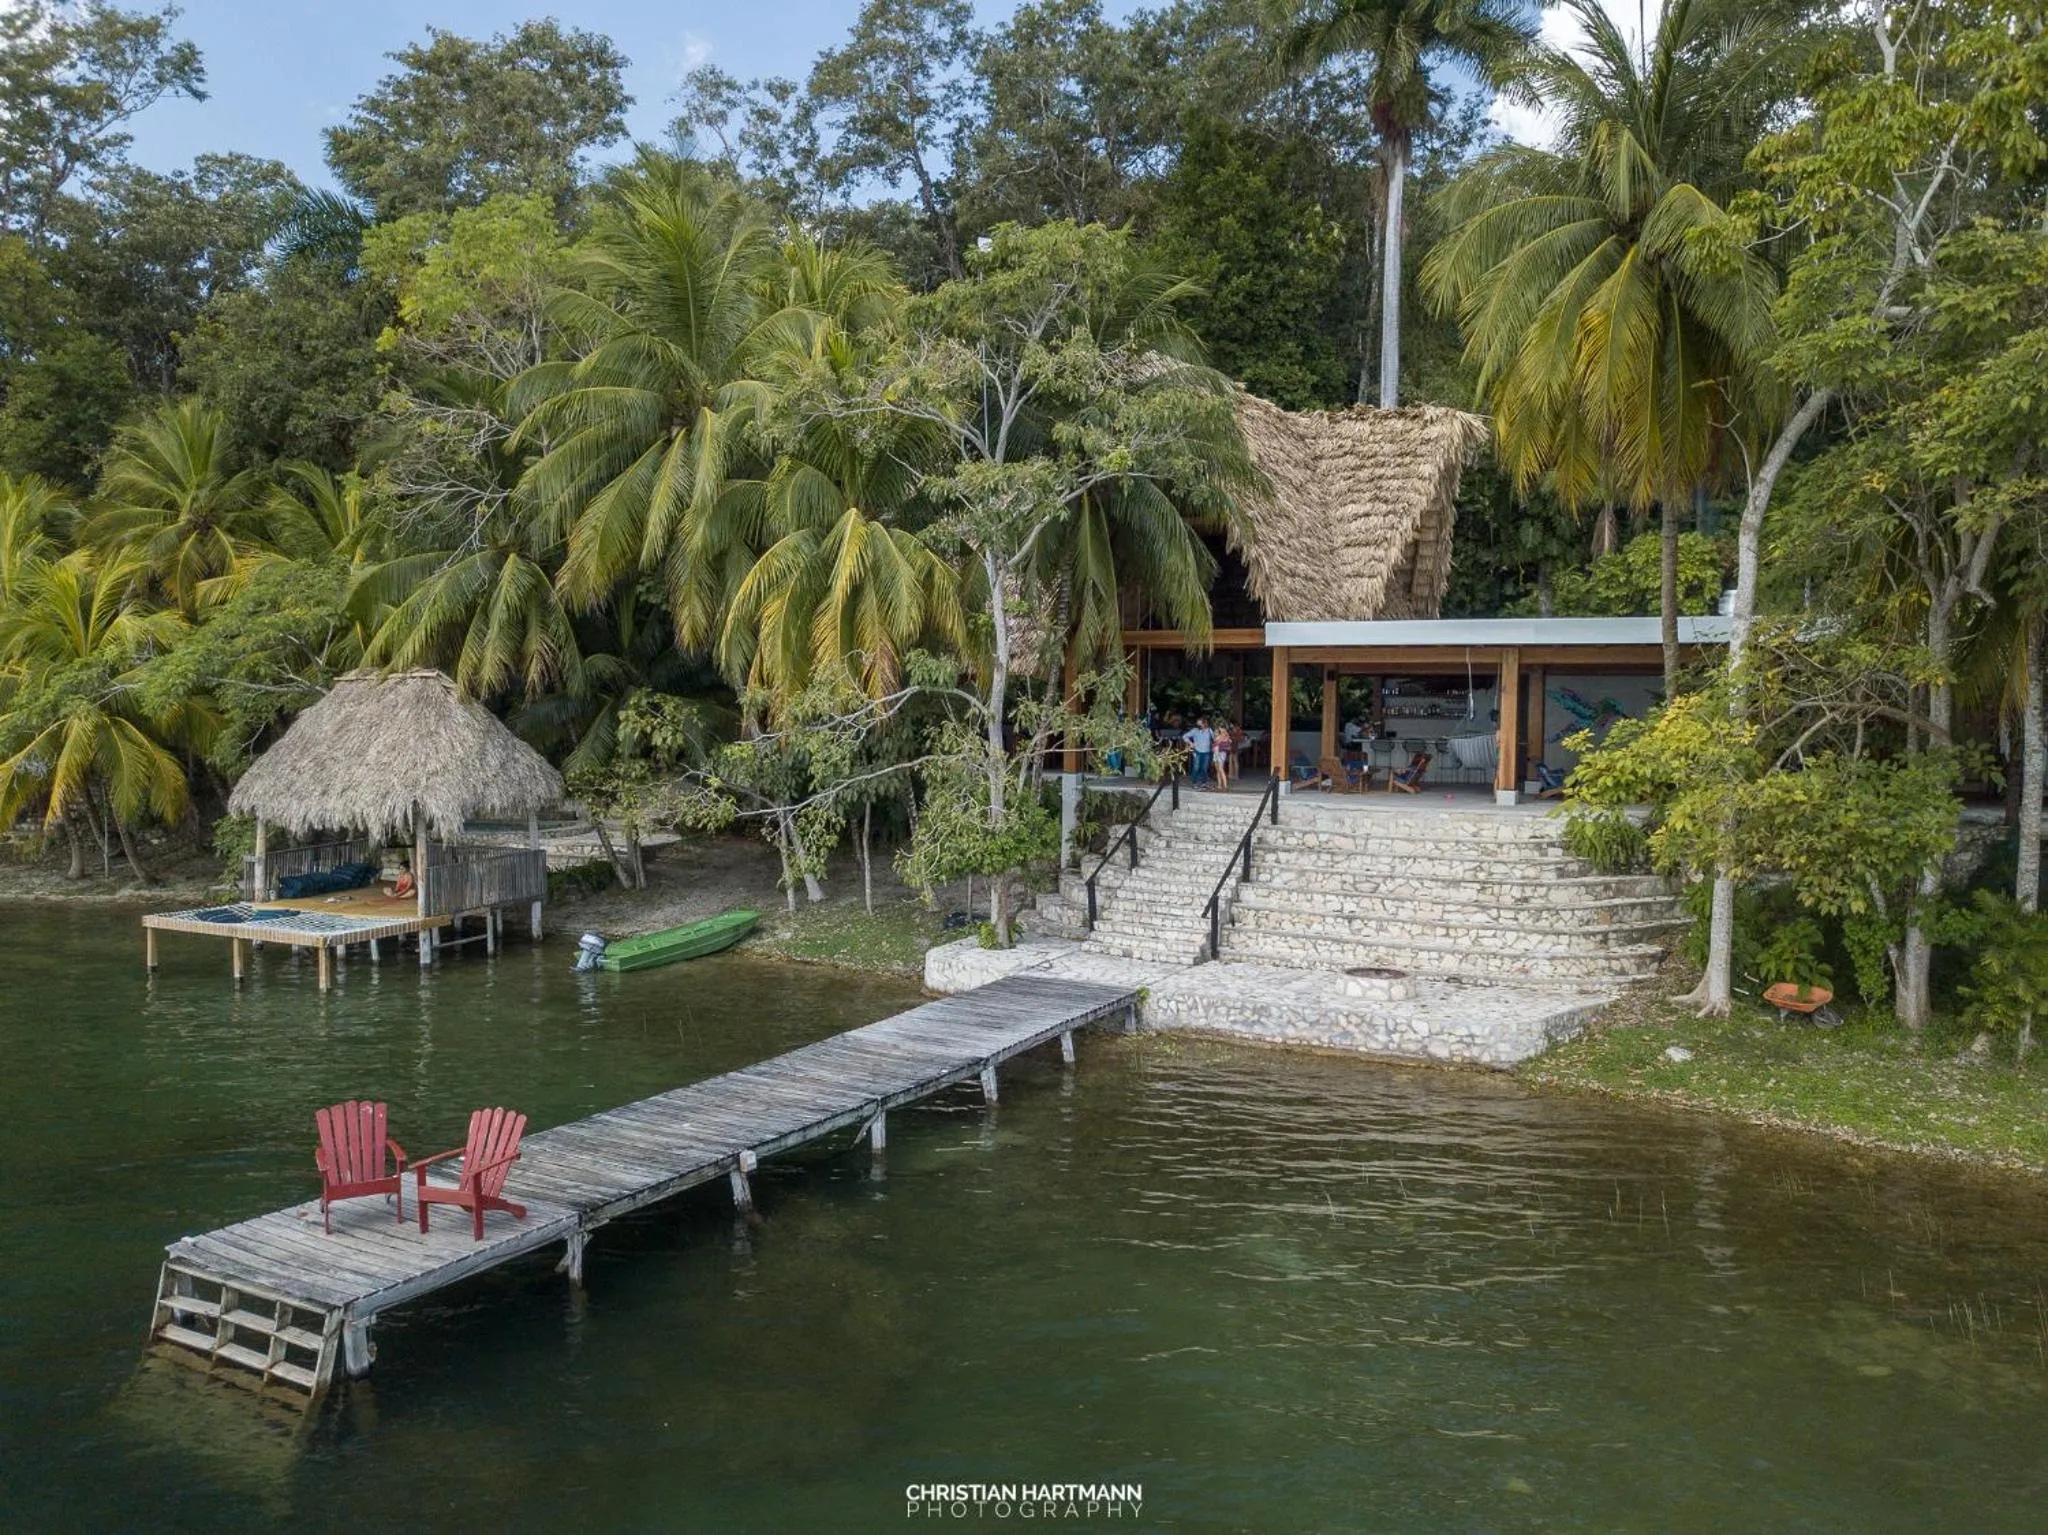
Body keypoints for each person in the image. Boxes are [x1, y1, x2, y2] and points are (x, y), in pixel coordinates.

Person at [1183, 716, 1215, 786]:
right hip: (1197, 751)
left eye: (1201, 723)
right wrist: (1190, 743)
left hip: (1207, 752)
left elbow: (1214, 739)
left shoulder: (1209, 730)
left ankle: (1204, 782)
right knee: (1196, 768)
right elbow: (1185, 736)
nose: (1199, 725)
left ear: (1205, 723)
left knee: (1204, 768)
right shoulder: (1195, 730)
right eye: (1198, 723)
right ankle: (1194, 782)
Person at [1212, 720, 1234, 790]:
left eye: (1221, 728)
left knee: (1221, 769)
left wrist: (1219, 738)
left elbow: (1217, 741)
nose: (1220, 729)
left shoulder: (1225, 735)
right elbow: (1216, 741)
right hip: (1216, 753)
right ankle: (1219, 785)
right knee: (1218, 770)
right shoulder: (1220, 734)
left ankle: (1225, 786)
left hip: (1221, 753)